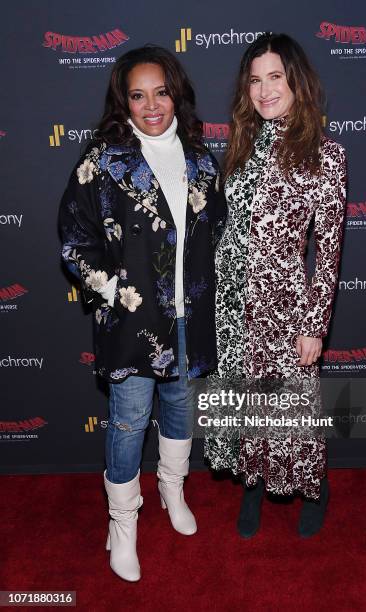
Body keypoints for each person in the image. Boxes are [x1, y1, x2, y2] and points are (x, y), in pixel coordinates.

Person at [59, 45, 226, 581]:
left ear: (176, 92)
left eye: (160, 91)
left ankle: (172, 492)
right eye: (137, 95)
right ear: (122, 101)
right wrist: (116, 293)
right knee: (129, 424)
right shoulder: (103, 162)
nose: (151, 105)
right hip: (133, 323)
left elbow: (218, 235)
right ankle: (122, 523)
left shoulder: (202, 159)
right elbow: (74, 241)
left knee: (180, 410)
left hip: (190, 317)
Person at [204, 33, 346, 538]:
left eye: (275, 78)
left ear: (296, 81)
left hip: (285, 305)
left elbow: (327, 250)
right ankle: (253, 485)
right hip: (233, 302)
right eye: (255, 80)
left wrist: (315, 326)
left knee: (291, 409)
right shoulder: (240, 145)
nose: (264, 91)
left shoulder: (324, 154)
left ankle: (315, 486)